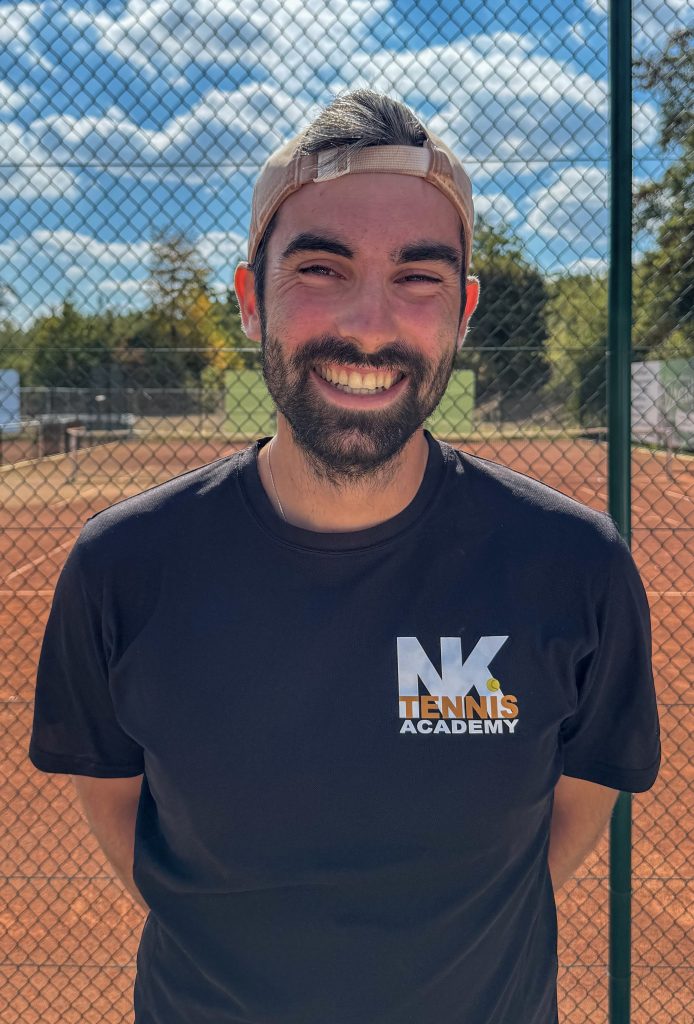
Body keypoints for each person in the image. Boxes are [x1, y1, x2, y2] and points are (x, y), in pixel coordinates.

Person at [28, 90, 660, 1024]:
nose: (370, 324)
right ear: (252, 299)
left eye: (419, 277)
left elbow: (584, 795)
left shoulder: (574, 567)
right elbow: (115, 806)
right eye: (322, 268)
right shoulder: (121, 568)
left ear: (463, 312)